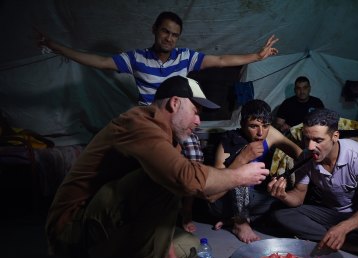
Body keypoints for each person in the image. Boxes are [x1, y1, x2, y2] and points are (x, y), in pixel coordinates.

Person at [39, 11, 279, 232]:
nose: (169, 38)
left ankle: (185, 213)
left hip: (178, 125)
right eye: (165, 32)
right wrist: (56, 47)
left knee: (193, 157)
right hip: (152, 124)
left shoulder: (184, 57)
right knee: (148, 170)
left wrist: (257, 56)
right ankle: (138, 220)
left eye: (175, 35)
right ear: (155, 29)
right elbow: (100, 62)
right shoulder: (137, 59)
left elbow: (222, 60)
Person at [43, 76, 270, 258]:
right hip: (73, 228)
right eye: (195, 111)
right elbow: (184, 179)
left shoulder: (168, 136)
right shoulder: (138, 123)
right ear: (174, 103)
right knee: (166, 177)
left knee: (191, 249)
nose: (198, 121)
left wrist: (159, 242)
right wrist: (238, 175)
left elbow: (196, 192)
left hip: (110, 222)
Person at [267, 108, 358, 258]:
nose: (309, 147)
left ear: (335, 136)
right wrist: (283, 196)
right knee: (280, 214)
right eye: (306, 138)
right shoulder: (306, 157)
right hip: (326, 213)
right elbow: (298, 196)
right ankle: (345, 245)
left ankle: (323, 236)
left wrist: (343, 227)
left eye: (318, 140)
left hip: (354, 215)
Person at [208, 99, 303, 243]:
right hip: (224, 202)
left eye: (265, 126)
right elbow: (213, 194)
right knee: (245, 174)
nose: (260, 133)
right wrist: (242, 158)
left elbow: (299, 154)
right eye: (253, 126)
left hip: (255, 199)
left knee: (283, 201)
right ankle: (240, 223)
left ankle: (234, 219)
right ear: (242, 124)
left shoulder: (269, 133)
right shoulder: (228, 142)